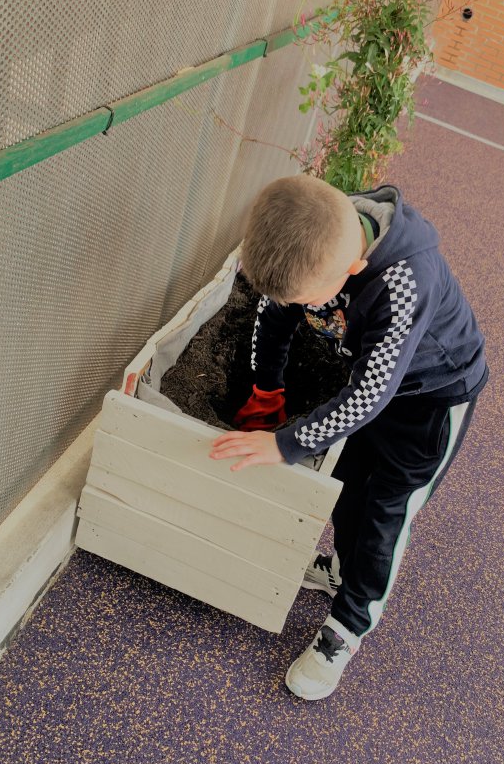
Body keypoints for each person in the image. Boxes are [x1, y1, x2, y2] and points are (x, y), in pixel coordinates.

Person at [209, 175, 488, 700]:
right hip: (377, 386)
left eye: (313, 299)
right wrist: (267, 388)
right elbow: (275, 314)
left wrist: (283, 444)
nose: (305, 306)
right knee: (348, 484)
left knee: (386, 514)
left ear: (352, 270)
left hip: (431, 401)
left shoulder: (406, 280)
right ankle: (340, 568)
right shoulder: (314, 234)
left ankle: (349, 626)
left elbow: (370, 396)